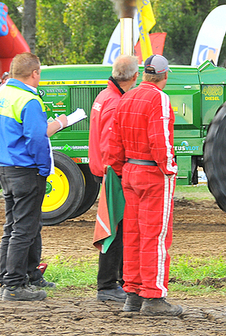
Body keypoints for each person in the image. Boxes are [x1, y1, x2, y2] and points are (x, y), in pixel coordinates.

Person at [0, 53, 67, 302]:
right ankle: (13, 287)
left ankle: (6, 278)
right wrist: (44, 169)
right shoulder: (29, 100)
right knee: (24, 229)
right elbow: (37, 139)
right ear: (34, 73)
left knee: (12, 227)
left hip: (5, 168)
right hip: (26, 170)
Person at [108, 55, 182, 316]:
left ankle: (133, 295)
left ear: (144, 74)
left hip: (130, 171)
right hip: (152, 174)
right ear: (165, 75)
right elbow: (160, 139)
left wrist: (121, 169)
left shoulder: (126, 97)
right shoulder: (159, 99)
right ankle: (154, 297)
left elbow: (113, 141)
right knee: (156, 237)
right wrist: (170, 169)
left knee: (133, 235)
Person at [88, 55, 139, 303]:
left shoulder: (103, 96)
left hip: (104, 171)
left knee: (116, 227)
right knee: (114, 230)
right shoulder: (115, 102)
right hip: (113, 174)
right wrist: (121, 172)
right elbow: (110, 147)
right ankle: (107, 284)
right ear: (135, 76)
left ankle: (114, 280)